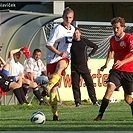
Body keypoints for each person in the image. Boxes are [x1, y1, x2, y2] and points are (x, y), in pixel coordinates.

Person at [94, 17, 133, 121]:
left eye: (117, 28)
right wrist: (106, 64)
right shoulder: (112, 39)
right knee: (109, 89)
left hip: (129, 72)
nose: (115, 30)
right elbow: (111, 51)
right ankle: (100, 115)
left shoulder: (129, 38)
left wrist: (123, 62)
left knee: (128, 99)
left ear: (123, 28)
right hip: (116, 71)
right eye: (114, 28)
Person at [41, 7, 75, 120]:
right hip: (52, 59)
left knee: (61, 66)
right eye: (66, 17)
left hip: (64, 59)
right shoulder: (57, 29)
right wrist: (59, 53)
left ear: (73, 18)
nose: (68, 19)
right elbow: (48, 44)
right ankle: (55, 114)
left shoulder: (73, 29)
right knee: (54, 90)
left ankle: (47, 87)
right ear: (62, 17)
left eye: (70, 17)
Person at [70, 27, 100, 107]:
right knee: (75, 85)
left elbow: (95, 47)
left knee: (89, 83)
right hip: (74, 67)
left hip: (83, 66)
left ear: (80, 33)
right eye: (74, 33)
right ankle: (78, 102)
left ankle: (94, 101)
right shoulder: (70, 43)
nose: (75, 34)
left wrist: (90, 55)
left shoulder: (84, 41)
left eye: (77, 33)